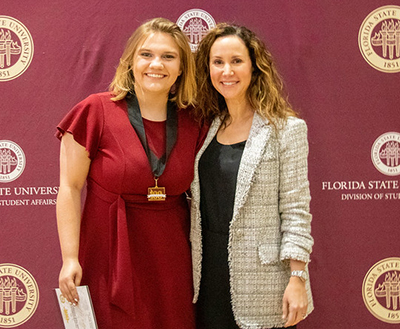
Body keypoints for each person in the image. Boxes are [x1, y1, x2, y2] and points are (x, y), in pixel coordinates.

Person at [56, 17, 205, 329]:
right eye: (146, 54)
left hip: (172, 257)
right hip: (109, 254)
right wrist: (70, 257)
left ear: (181, 68)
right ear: (130, 61)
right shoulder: (95, 111)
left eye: (168, 56)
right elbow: (69, 188)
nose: (156, 64)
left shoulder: (195, 121)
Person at [191, 23, 314, 329]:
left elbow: (297, 210)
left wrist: (297, 278)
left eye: (236, 61)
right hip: (207, 275)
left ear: (254, 67)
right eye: (217, 62)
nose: (226, 71)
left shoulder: (286, 129)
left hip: (266, 282)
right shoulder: (207, 128)